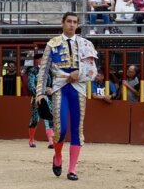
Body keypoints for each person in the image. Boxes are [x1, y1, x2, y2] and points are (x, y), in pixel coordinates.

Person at [36, 12, 99, 180]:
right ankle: (58, 156)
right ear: (62, 23)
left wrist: (80, 72)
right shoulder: (53, 44)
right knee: (61, 129)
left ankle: (72, 169)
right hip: (60, 88)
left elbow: (93, 70)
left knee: (77, 130)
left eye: (75, 22)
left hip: (78, 88)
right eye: (69, 21)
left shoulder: (86, 44)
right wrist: (40, 93)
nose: (72, 24)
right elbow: (43, 70)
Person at [24, 53, 54, 148]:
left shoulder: (49, 71)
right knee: (35, 119)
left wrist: (51, 90)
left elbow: (53, 84)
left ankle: (51, 141)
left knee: (49, 118)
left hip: (48, 98)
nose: (43, 61)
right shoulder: (33, 70)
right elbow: (30, 85)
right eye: (41, 59)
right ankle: (31, 140)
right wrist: (39, 93)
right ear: (37, 61)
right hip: (37, 97)